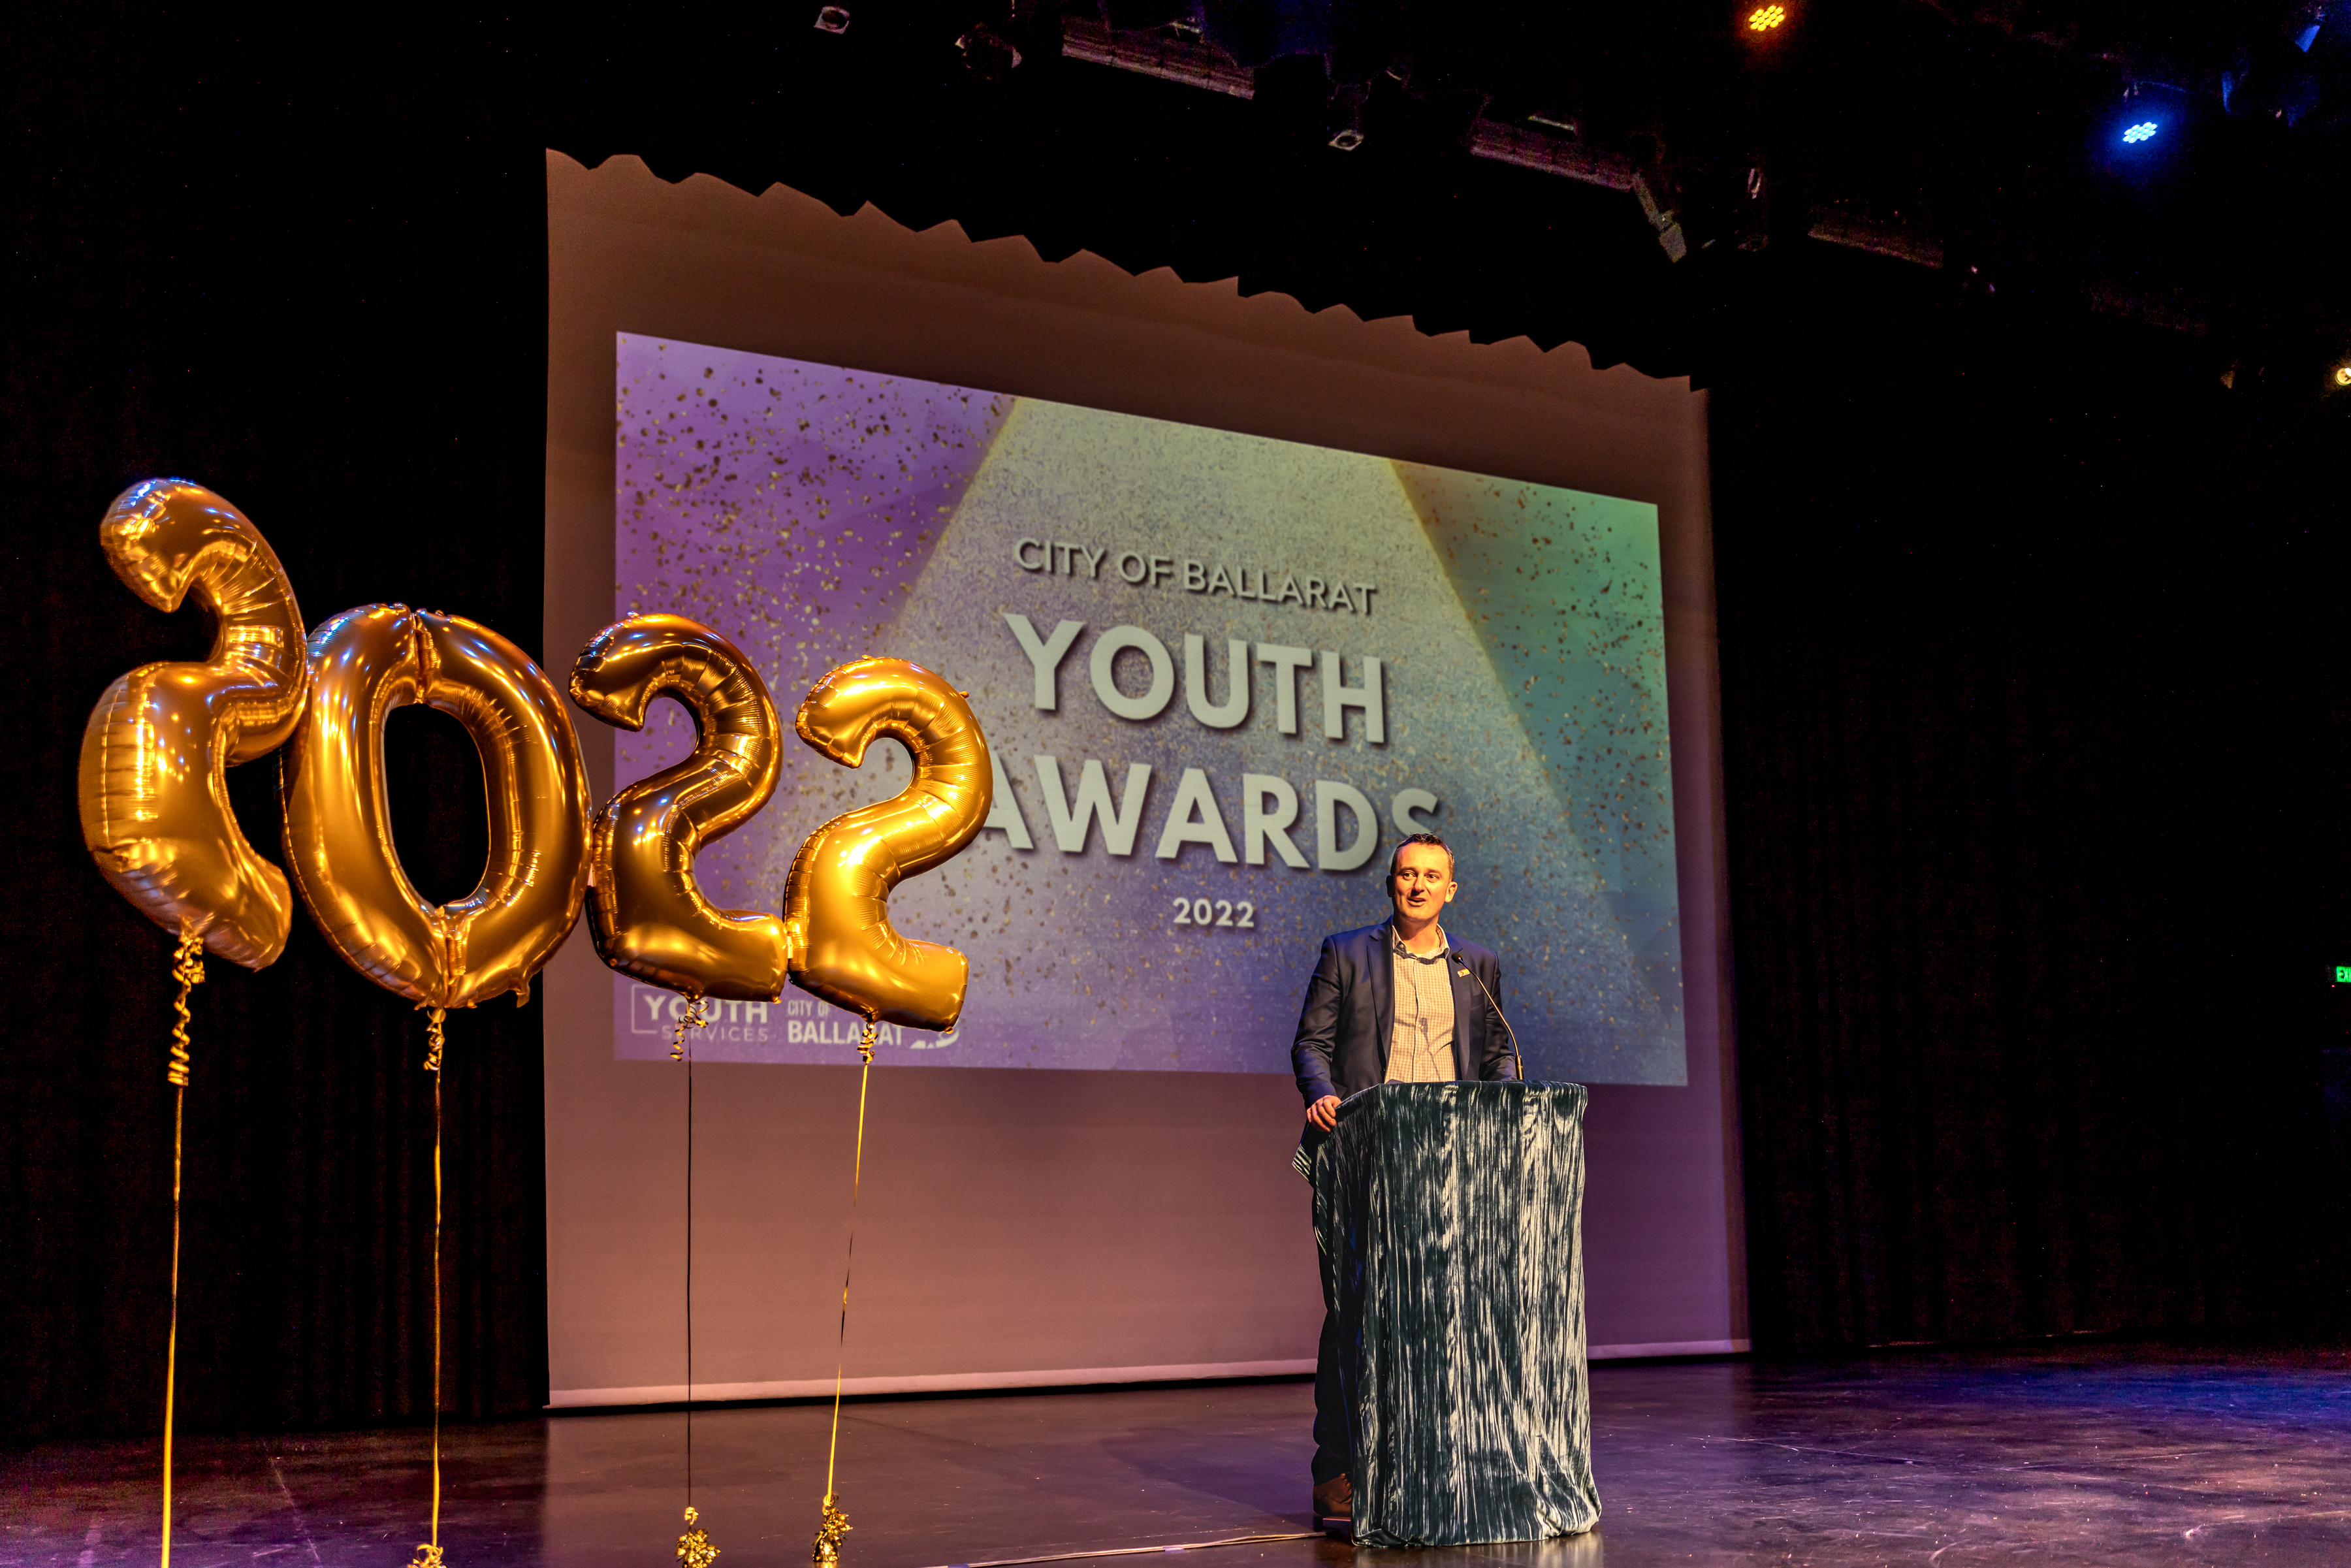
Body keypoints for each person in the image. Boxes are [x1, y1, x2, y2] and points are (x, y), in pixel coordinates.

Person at [1289, 831, 1518, 1528]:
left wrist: (1506, 1100)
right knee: (1357, 1317)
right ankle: (1338, 1468)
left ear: (1452, 889)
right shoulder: (1346, 952)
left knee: (1444, 1318)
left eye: (1431, 876)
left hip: (1450, 1163)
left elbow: (1500, 1053)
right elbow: (1311, 1043)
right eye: (1405, 874)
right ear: (1392, 884)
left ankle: (1436, 1457)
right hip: (1363, 1153)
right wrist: (1321, 1092)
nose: (1416, 885)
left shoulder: (1476, 966)